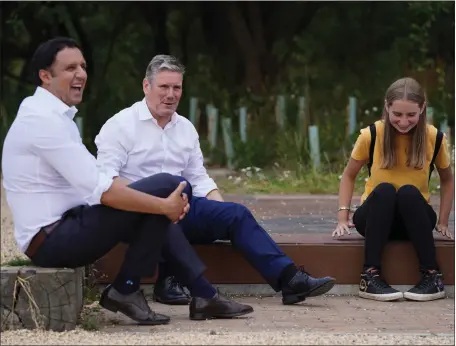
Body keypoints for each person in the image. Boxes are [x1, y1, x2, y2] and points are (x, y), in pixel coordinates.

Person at [1, 37, 254, 325]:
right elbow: (103, 191)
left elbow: (99, 181)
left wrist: (159, 205)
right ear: (45, 76)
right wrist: (163, 205)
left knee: (158, 196)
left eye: (82, 66)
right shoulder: (42, 122)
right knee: (163, 188)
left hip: (69, 224)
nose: (81, 74)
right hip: (52, 239)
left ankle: (139, 291)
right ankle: (193, 293)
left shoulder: (53, 116)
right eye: (70, 68)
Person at [94, 54, 336, 307]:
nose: (171, 94)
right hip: (139, 214)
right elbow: (107, 180)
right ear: (146, 86)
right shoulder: (120, 125)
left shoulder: (185, 128)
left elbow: (199, 178)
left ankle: (290, 280)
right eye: (164, 87)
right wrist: (153, 205)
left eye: (177, 88)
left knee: (235, 214)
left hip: (182, 208)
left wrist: (217, 210)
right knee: (169, 201)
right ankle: (168, 282)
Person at [332, 77, 454, 302]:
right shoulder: (371, 134)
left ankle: (432, 277)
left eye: (411, 115)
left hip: (414, 221)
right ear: (387, 107)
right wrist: (342, 217)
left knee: (408, 192)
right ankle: (369, 276)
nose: (404, 121)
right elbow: (349, 175)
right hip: (376, 219)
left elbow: (448, 180)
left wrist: (443, 221)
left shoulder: (434, 137)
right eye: (397, 114)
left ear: (422, 109)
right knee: (386, 190)